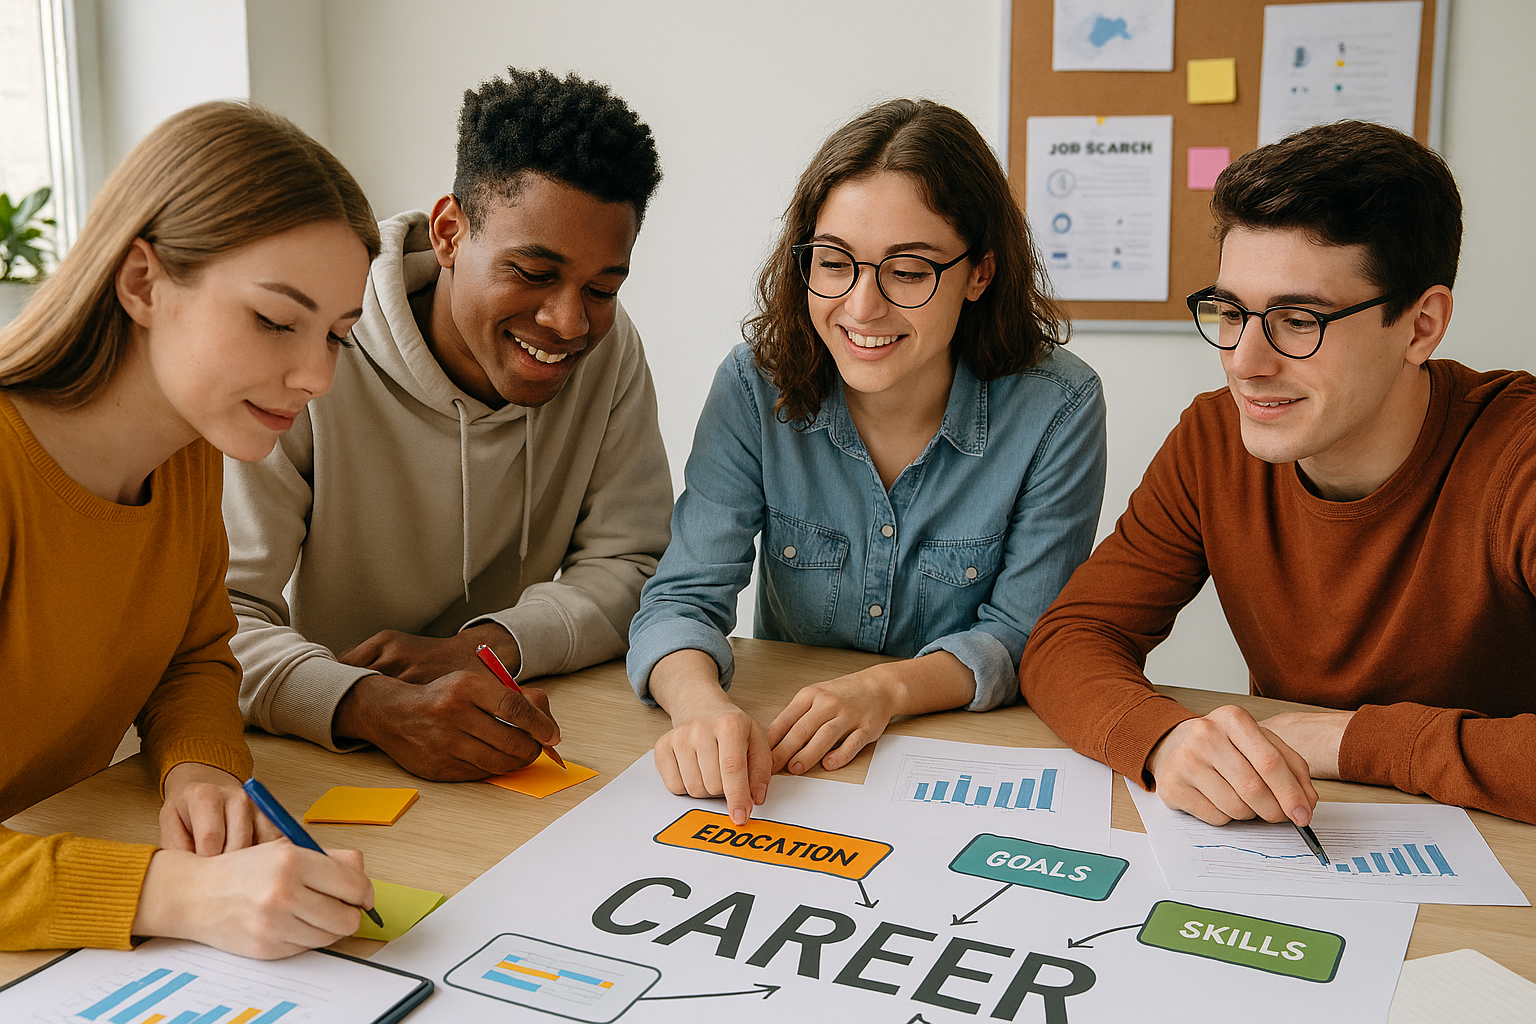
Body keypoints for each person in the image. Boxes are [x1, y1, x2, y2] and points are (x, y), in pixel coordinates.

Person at [1021, 120, 1536, 827]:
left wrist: (1351, 739)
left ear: (1420, 327)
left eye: (1298, 319)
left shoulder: (1520, 456)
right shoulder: (1214, 438)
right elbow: (1070, 640)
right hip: (1300, 830)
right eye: (1231, 311)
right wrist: (1164, 739)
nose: (1245, 361)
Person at [628, 99, 1107, 824]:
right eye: (834, 263)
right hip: (796, 764)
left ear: (978, 273)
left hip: (966, 762)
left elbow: (1022, 635)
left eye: (908, 272)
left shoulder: (1059, 407)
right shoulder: (752, 385)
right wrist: (698, 708)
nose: (862, 307)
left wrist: (886, 690)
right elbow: (680, 600)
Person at [0, 101, 379, 955]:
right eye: (276, 321)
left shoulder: (187, 450)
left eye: (338, 337)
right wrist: (173, 895)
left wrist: (200, 761)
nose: (315, 374)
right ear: (142, 284)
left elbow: (195, 651)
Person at [227, 68, 672, 781]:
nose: (568, 321)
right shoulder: (312, 352)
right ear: (448, 233)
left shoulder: (608, 351)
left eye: (602, 289)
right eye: (531, 271)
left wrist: (492, 643)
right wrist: (368, 704)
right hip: (323, 753)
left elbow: (637, 566)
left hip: (510, 734)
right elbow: (215, 620)